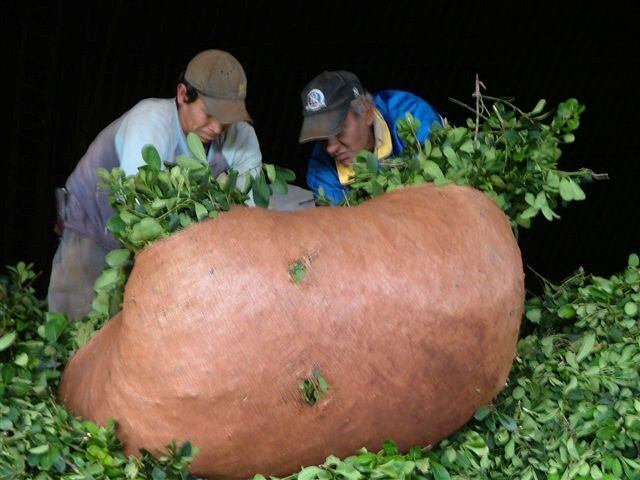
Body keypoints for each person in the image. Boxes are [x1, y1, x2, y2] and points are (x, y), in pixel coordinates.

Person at [48, 49, 262, 320]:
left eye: (227, 119)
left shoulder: (240, 137)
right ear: (183, 94)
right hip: (94, 230)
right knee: (75, 327)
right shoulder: (150, 123)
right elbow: (142, 216)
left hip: (170, 250)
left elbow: (248, 211)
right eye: (209, 114)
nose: (218, 128)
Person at [298, 70, 442, 205]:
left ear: (366, 112)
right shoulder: (321, 172)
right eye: (322, 137)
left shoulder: (413, 119)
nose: (330, 148)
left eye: (338, 132)